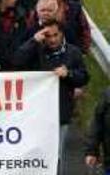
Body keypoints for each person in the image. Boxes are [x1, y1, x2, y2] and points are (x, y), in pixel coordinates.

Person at [14, 21, 88, 170]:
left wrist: (69, 74)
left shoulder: (73, 52)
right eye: (48, 36)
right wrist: (33, 41)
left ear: (62, 34)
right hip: (36, 114)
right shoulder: (35, 51)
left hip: (61, 113)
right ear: (42, 36)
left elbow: (84, 77)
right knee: (34, 155)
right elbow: (16, 61)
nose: (53, 39)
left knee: (56, 155)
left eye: (56, 35)